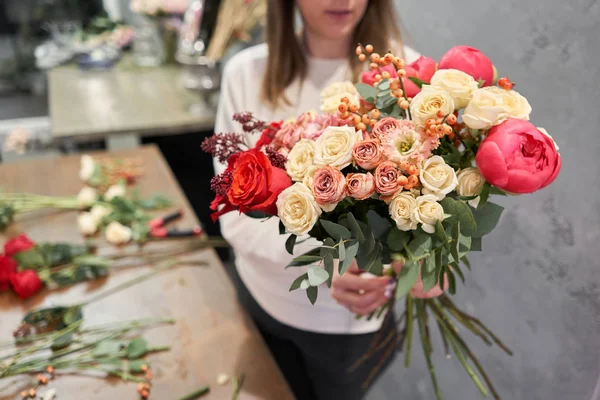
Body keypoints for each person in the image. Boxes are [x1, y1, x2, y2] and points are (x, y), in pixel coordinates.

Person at [213, 1, 421, 399]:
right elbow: (234, 218)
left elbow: (422, 211)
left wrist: (414, 267)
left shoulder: (405, 76)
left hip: (346, 330)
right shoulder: (247, 73)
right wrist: (330, 262)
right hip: (259, 299)